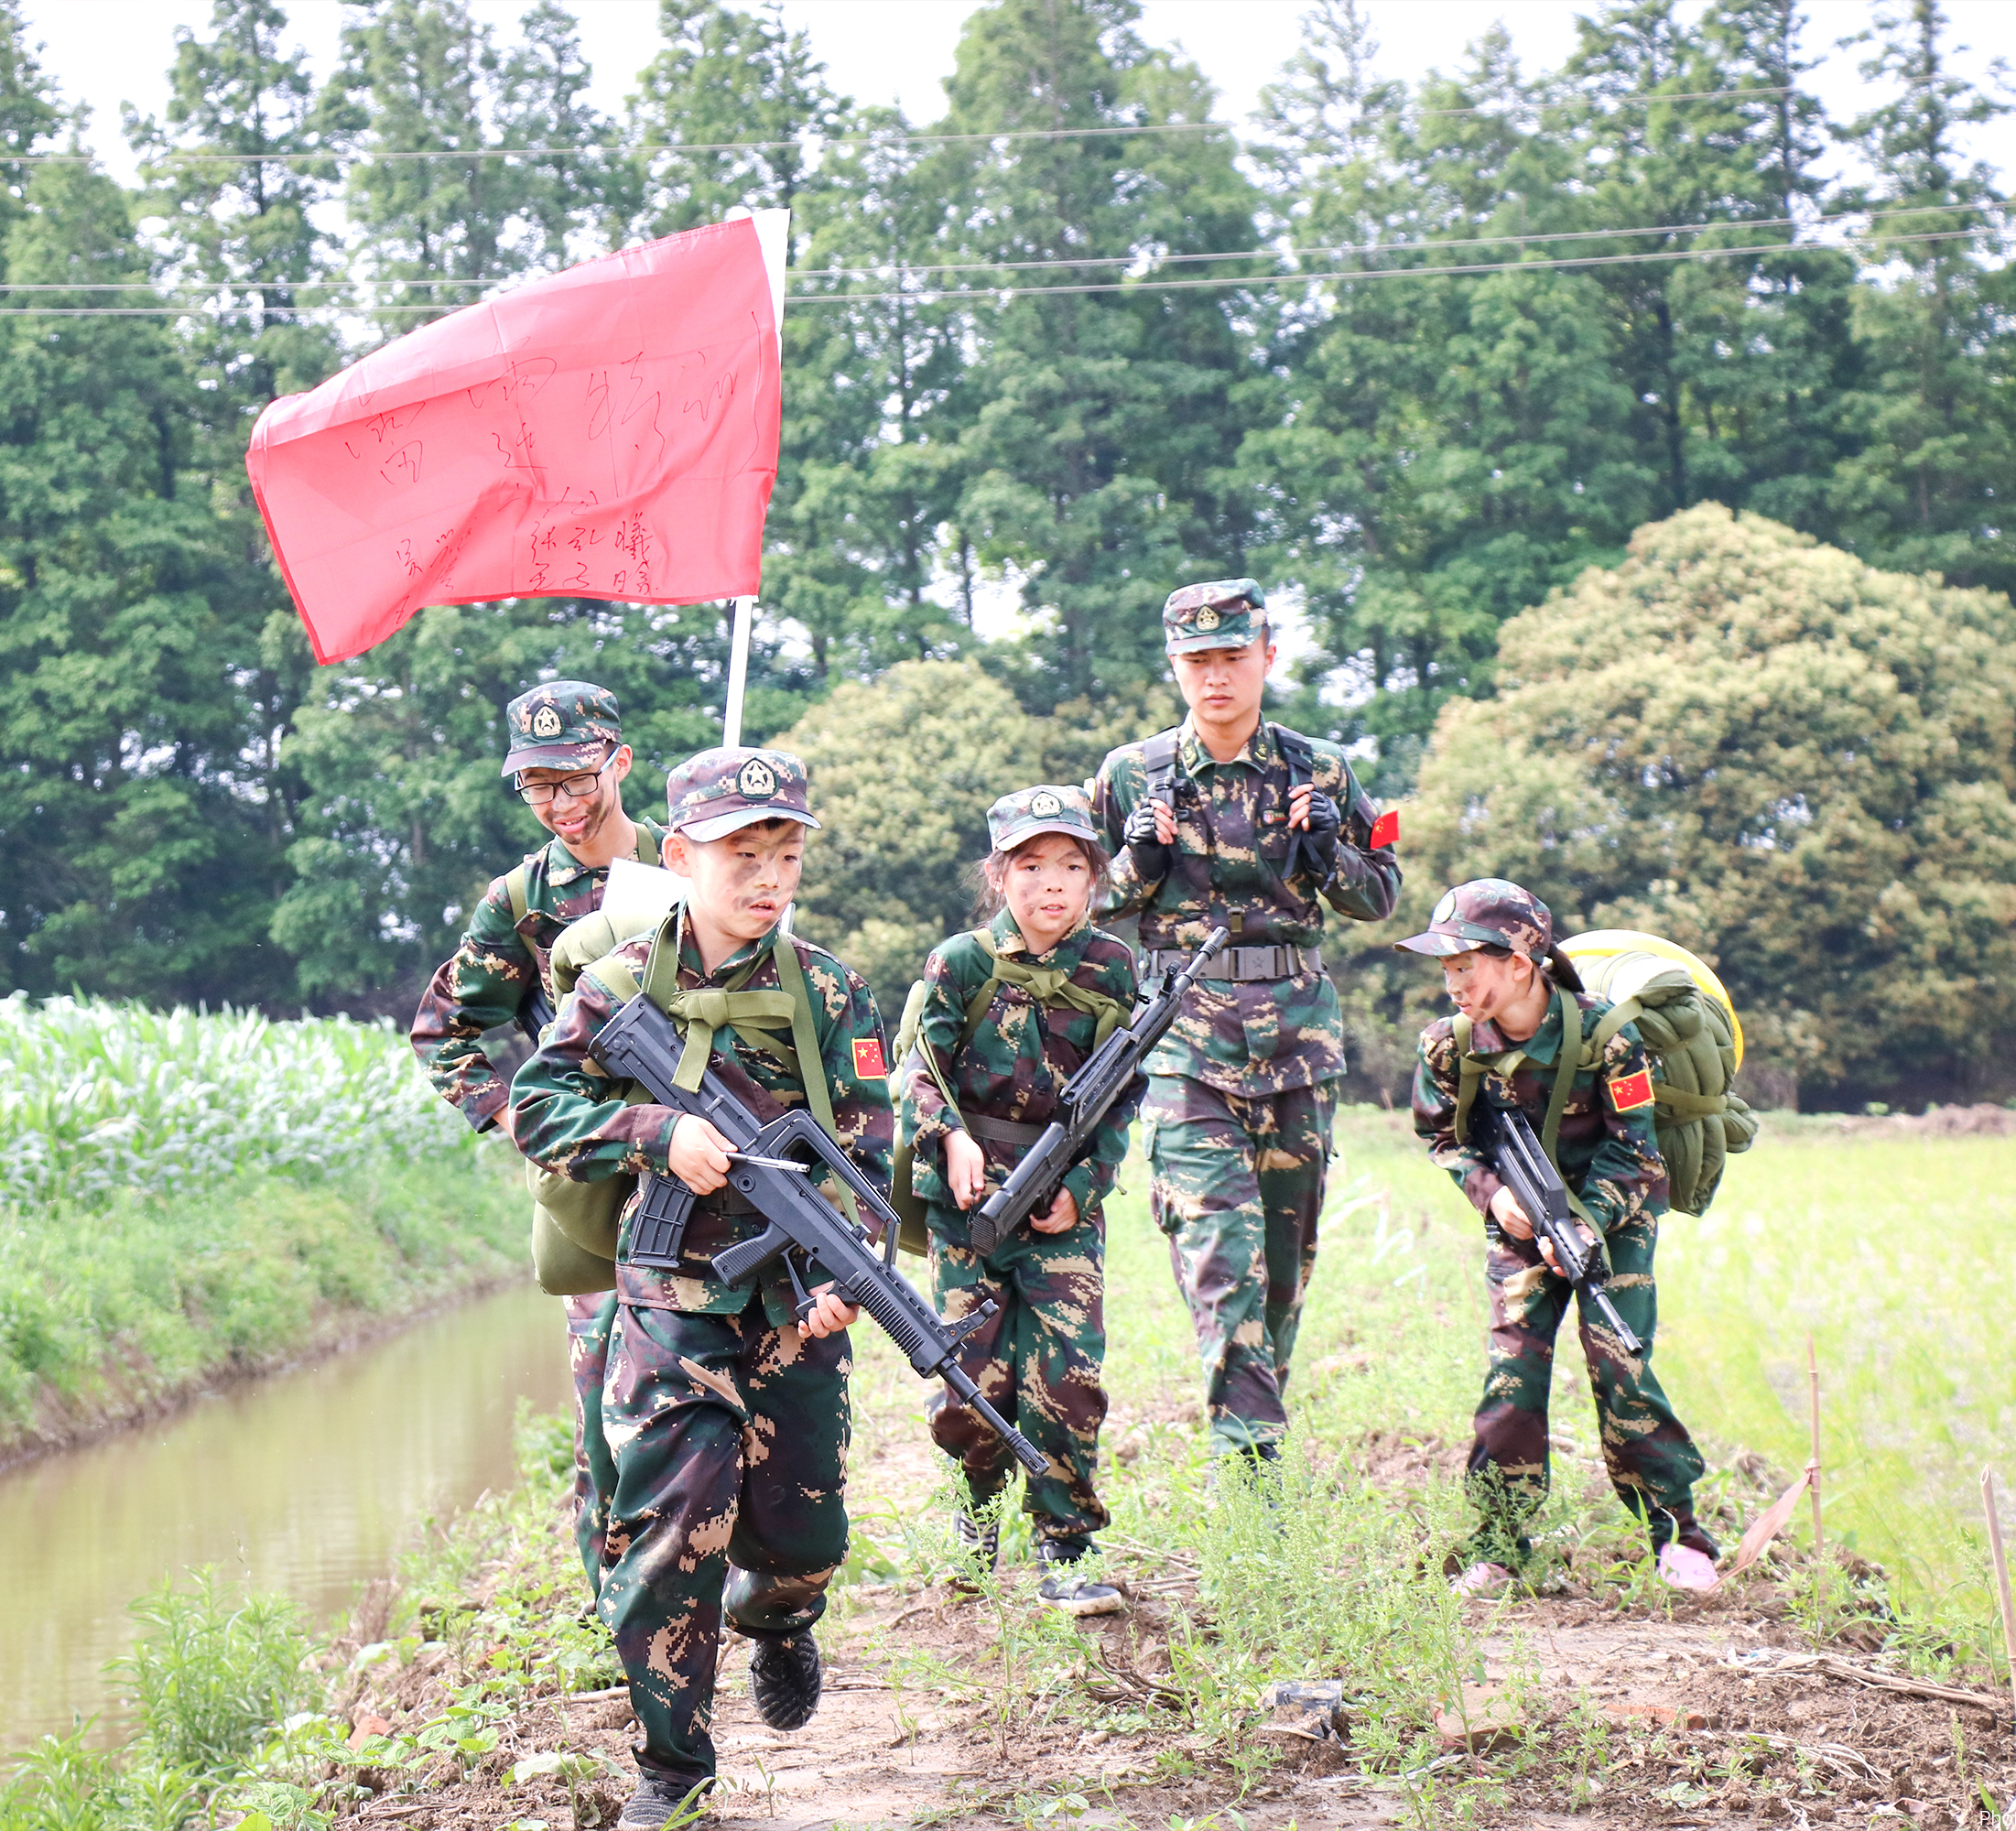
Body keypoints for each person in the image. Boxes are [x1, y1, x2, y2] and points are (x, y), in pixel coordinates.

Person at [510, 747, 892, 1831]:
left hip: (789, 1307)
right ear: (679, 855)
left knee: (802, 1533)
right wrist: (656, 1127)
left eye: (786, 853)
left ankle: (779, 1620)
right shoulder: (621, 984)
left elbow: (869, 1147)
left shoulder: (829, 990)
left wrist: (841, 1272)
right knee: (669, 1527)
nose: (768, 876)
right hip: (668, 1292)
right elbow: (539, 1106)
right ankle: (673, 1766)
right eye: (742, 854)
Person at [1090, 580, 1401, 1472]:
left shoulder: (1325, 768)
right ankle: (1253, 1461)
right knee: (1217, 1249)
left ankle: (1258, 1411)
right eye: (1198, 660)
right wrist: (1136, 865)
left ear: (1268, 654)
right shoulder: (1129, 774)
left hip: (1299, 1040)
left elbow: (1380, 894)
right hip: (1185, 1043)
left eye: (1233, 655)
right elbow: (1078, 901)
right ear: (1174, 665)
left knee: (1281, 1256)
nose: (1215, 676)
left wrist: (1328, 854)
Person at [407, 681, 667, 1599]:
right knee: (605, 1405)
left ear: (618, 762)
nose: (559, 801)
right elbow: (446, 1029)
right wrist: (516, 1113)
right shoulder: (519, 900)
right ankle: (617, 1609)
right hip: (594, 1181)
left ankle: (735, 1586)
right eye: (536, 785)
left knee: (728, 1383)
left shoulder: (693, 865)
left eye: (573, 777)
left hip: (705, 1164)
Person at [1396, 878, 1722, 1598]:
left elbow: (1637, 1153)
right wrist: (1496, 1195)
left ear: (1520, 961)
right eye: (1445, 969)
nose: (1452, 983)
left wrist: (1584, 1221)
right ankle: (1500, 1546)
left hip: (1614, 1218)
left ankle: (1679, 1537)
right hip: (1519, 1226)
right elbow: (1441, 1139)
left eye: (1465, 966)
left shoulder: (1608, 1037)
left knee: (1620, 1366)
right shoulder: (1447, 1047)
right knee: (1511, 1378)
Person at [900, 785, 1141, 1616]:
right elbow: (917, 1074)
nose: (1052, 884)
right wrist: (952, 1140)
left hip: (1062, 1205)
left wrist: (1082, 1187)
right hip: (967, 1202)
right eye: (1032, 865)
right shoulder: (960, 962)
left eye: (1072, 867)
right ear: (1000, 874)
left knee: (1068, 1374)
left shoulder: (1111, 966)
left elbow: (1119, 1096)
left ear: (1094, 881)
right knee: (972, 1382)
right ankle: (975, 1519)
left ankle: (1065, 1544)